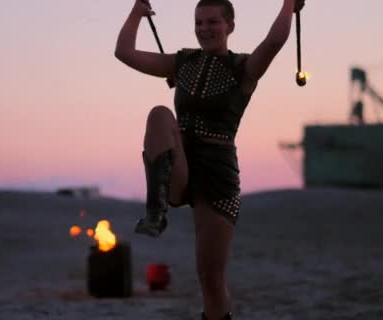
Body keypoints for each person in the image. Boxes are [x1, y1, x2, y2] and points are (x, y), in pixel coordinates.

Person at [114, 0, 305, 319]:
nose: (205, 29)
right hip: (182, 164)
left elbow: (273, 42)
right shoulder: (183, 62)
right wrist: (137, 12)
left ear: (229, 26)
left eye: (213, 22)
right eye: (199, 22)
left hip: (217, 174)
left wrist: (289, 3)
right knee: (160, 114)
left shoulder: (244, 68)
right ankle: (156, 211)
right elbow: (125, 52)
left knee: (210, 278)